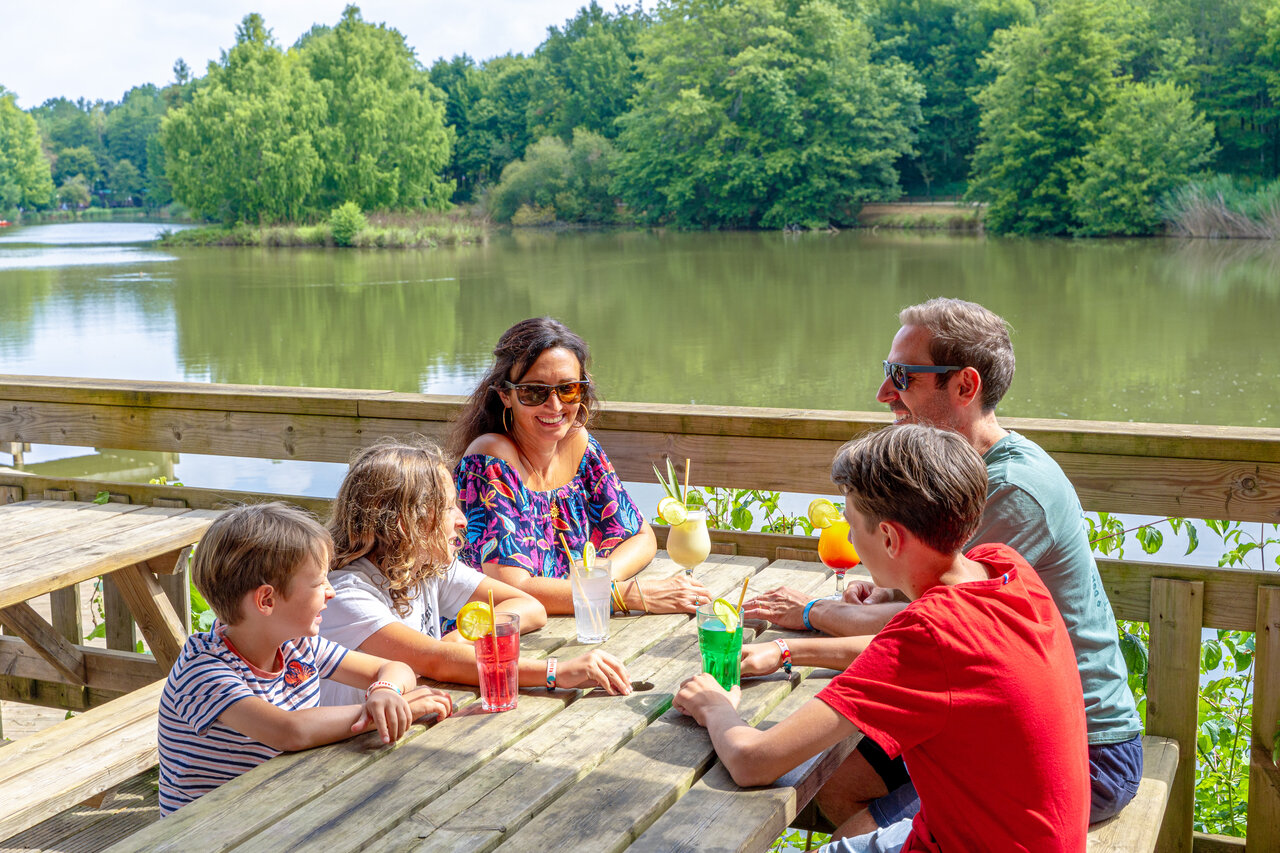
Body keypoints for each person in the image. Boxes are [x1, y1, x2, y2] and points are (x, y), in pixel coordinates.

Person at [743, 297, 1143, 836]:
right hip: (983, 711)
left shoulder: (1010, 490)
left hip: (1081, 748)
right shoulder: (964, 480)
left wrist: (812, 614)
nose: (884, 393)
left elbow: (929, 632)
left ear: (965, 386)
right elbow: (930, 608)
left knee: (856, 824)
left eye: (901, 376)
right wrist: (883, 593)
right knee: (833, 781)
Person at [675, 425, 1090, 852]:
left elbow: (752, 761)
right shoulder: (1004, 568)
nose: (851, 538)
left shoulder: (932, 634)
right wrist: (787, 650)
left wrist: (715, 707)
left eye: (852, 523)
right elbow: (913, 657)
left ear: (890, 538)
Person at [158, 503, 452, 815]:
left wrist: (385, 691)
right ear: (267, 600)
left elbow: (392, 667)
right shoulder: (202, 671)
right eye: (319, 583)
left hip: (278, 803)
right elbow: (289, 731)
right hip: (208, 829)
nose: (331, 592)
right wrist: (391, 710)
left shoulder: (297, 646)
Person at [318, 438, 632, 701]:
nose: (462, 520)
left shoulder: (426, 569)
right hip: (341, 758)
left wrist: (464, 637)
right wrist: (557, 672)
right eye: (447, 508)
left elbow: (530, 607)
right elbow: (438, 662)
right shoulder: (346, 595)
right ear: (404, 523)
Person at [450, 316, 710, 614]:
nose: (556, 405)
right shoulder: (490, 459)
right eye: (534, 392)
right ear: (505, 395)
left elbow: (640, 536)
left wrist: (597, 577)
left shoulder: (579, 444)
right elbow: (513, 588)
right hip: (497, 634)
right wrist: (624, 595)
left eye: (568, 389)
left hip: (575, 620)